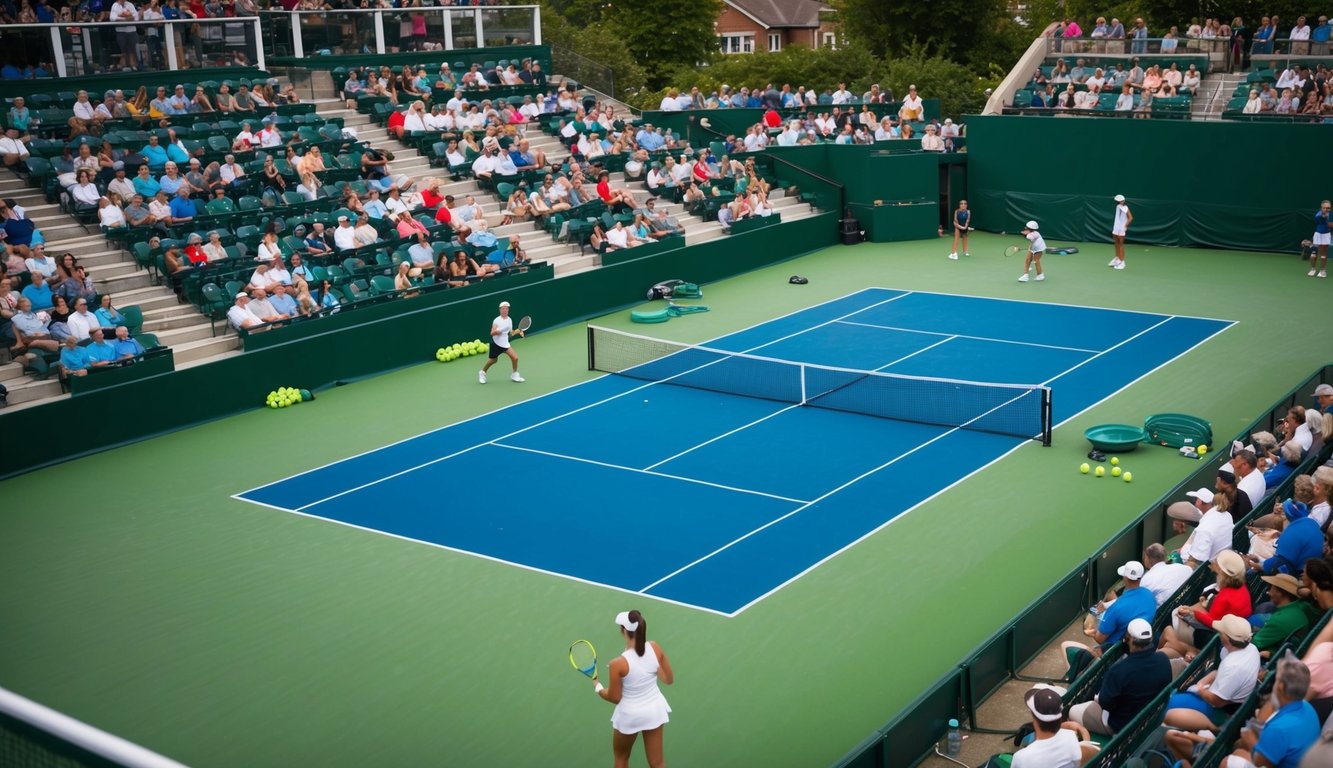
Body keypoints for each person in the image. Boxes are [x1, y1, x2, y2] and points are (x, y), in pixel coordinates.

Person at [1162, 614, 1261, 763]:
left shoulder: (1233, 666)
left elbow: (1217, 701)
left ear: (1227, 639)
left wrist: (1201, 688)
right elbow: (1217, 673)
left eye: (1221, 632)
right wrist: (1205, 682)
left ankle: (1208, 732)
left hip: (1222, 714)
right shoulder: (1251, 648)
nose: (1219, 634)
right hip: (1225, 702)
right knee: (1172, 702)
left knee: (1166, 711)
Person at [593, 610, 673, 768]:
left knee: (621, 758)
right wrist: (648, 667)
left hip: (631, 715)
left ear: (623, 630)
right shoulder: (655, 648)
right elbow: (668, 680)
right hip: (654, 710)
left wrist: (598, 687)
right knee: (657, 763)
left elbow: (615, 697)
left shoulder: (617, 664)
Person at [1067, 618, 1173, 736]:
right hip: (1151, 717)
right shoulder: (1163, 659)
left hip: (1121, 726)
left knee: (1073, 710)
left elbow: (1105, 703)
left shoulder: (1120, 670)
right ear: (1151, 639)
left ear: (1128, 639)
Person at [1227, 651, 1320, 767]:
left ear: (1280, 686)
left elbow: (1261, 763)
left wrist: (1251, 741)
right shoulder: (1308, 707)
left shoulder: (1279, 729)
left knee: (1228, 761)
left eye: (1277, 679)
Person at [478, 300, 523, 384]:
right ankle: (482, 372)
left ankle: (514, 374)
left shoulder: (510, 320)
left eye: (507, 308)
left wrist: (518, 331)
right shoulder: (496, 320)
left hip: (505, 344)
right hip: (496, 344)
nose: (506, 310)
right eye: (504, 308)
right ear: (500, 310)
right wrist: (498, 331)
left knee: (515, 358)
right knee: (493, 361)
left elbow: (511, 333)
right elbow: (492, 333)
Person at [1109, 194, 1132, 269]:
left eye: (1122, 201)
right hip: (1116, 228)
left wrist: (1125, 226)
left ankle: (1122, 262)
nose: (1121, 202)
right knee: (1116, 244)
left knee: (1121, 245)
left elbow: (1130, 218)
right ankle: (1117, 259)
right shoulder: (1118, 206)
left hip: (1121, 229)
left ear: (1123, 201)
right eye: (1119, 201)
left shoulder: (1126, 208)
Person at [1310, 200, 1329, 279]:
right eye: (1324, 208)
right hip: (1318, 235)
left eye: (1328, 208)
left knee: (1323, 253)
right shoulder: (1318, 215)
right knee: (1314, 253)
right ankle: (1313, 269)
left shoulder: (1331, 215)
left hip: (1326, 235)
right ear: (1321, 208)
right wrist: (1323, 216)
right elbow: (1318, 219)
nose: (1326, 209)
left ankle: (1323, 271)